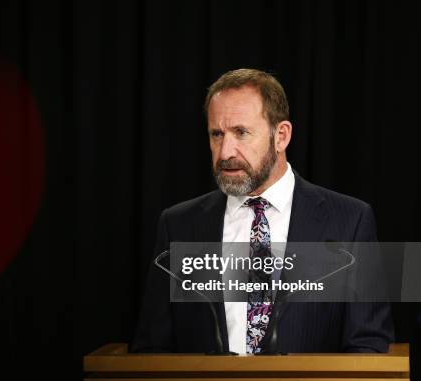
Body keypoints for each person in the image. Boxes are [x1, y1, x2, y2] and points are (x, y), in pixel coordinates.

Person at [130, 68, 393, 354]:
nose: (225, 152)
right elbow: (152, 350)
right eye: (216, 134)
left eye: (241, 133)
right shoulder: (178, 225)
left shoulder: (350, 222)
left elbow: (368, 345)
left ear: (281, 136)